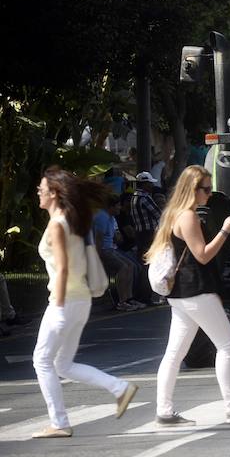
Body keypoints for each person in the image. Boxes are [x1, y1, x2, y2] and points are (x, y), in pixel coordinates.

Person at [146, 165, 230, 426]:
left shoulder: (173, 214)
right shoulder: (187, 217)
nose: (209, 195)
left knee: (174, 354)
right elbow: (203, 254)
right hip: (196, 290)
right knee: (225, 345)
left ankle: (164, 411)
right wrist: (226, 229)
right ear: (192, 189)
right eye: (205, 189)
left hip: (180, 294)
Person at [32, 167, 139, 438]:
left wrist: (56, 306)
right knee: (62, 365)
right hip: (80, 301)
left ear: (54, 193)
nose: (38, 193)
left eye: (42, 189)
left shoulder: (58, 224)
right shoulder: (75, 219)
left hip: (65, 301)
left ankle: (59, 423)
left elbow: (64, 268)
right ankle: (120, 388)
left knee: (42, 361)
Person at [92, 195, 144, 311]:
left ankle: (128, 298)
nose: (120, 208)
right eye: (118, 206)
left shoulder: (111, 218)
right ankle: (121, 301)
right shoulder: (102, 217)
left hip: (111, 248)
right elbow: (98, 239)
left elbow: (116, 237)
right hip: (104, 250)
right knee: (123, 267)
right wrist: (97, 257)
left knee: (130, 266)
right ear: (110, 207)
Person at [131, 172, 161, 303]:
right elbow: (158, 214)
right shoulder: (145, 198)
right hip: (149, 234)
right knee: (149, 265)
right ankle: (146, 296)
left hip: (140, 234)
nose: (151, 185)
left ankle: (140, 295)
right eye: (149, 183)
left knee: (143, 264)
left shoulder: (134, 198)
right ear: (144, 184)